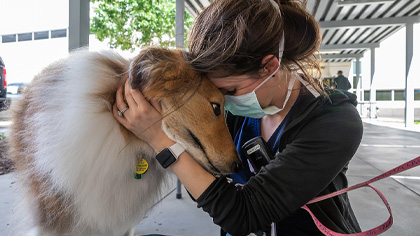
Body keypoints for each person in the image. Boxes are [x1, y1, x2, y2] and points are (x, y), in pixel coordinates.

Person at [113, 0, 363, 235]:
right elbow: (206, 186)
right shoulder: (238, 114)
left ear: (269, 68)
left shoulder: (335, 121)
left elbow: (246, 214)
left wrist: (160, 140)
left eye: (229, 91)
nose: (226, 103)